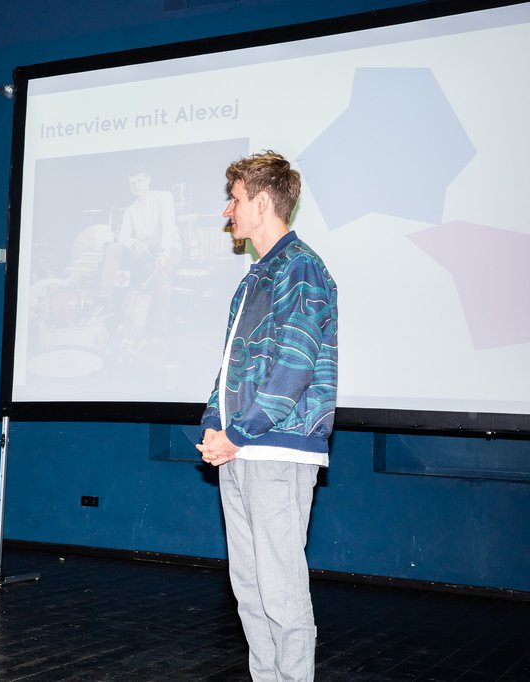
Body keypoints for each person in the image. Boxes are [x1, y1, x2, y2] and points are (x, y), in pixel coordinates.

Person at [195, 152, 338, 681]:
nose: (228, 212)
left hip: (277, 450)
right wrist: (214, 425)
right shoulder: (255, 277)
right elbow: (230, 366)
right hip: (240, 449)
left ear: (261, 202)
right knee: (250, 591)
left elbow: (294, 368)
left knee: (280, 591)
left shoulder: (301, 268)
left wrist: (237, 432)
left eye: (234, 200)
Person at [99, 169, 183, 349]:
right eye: (132, 184)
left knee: (162, 281)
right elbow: (122, 237)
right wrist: (134, 242)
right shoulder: (131, 210)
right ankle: (104, 298)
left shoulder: (164, 198)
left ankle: (157, 332)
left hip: (170, 247)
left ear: (148, 180)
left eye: (139, 181)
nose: (136, 186)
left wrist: (164, 255)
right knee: (114, 249)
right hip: (145, 250)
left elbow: (168, 229)